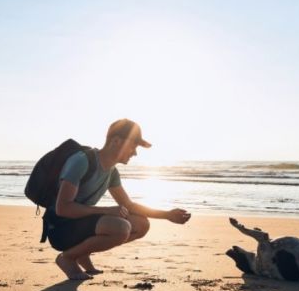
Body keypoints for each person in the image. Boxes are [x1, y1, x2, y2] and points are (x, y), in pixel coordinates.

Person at [46, 119, 191, 280]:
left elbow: (128, 205)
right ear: (116, 141)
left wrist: (167, 215)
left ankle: (81, 253)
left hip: (79, 225)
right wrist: (106, 210)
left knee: (141, 224)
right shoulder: (82, 161)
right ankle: (67, 258)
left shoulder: (111, 172)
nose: (135, 153)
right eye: (133, 146)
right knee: (121, 228)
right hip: (59, 229)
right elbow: (63, 208)